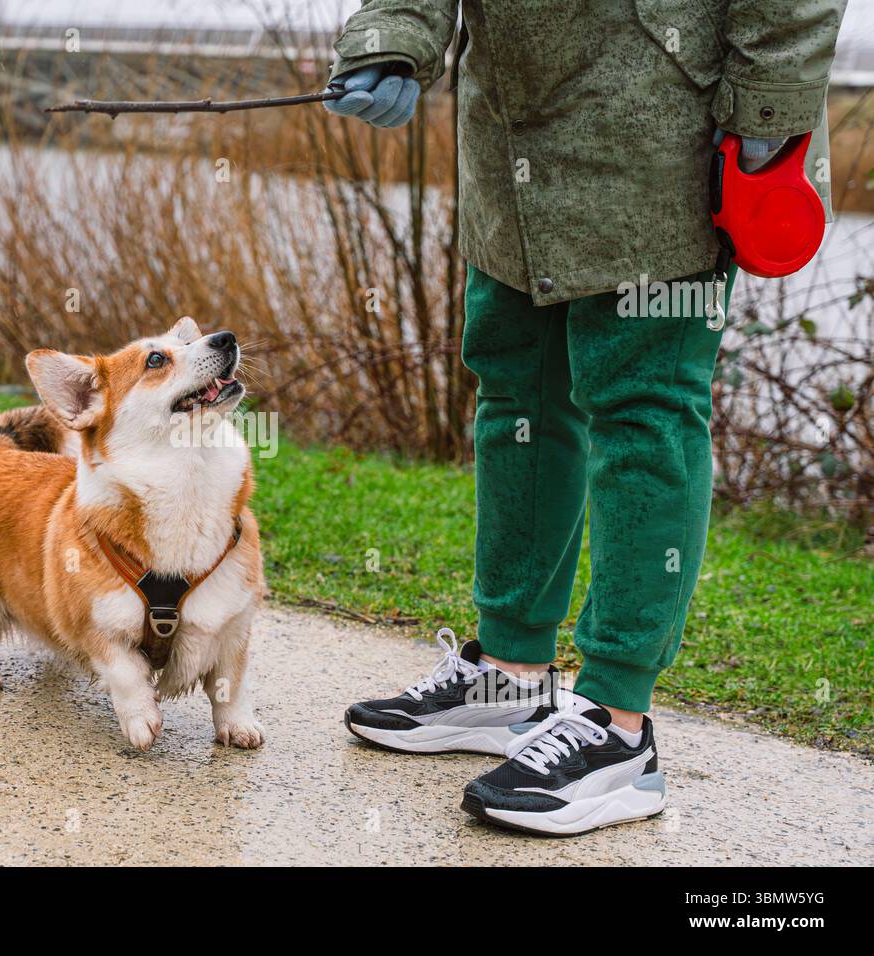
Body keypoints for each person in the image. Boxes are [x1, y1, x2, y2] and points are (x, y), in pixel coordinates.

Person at [327, 0, 846, 835]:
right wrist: (391, 41)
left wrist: (770, 114)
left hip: (665, 134)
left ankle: (618, 728)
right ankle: (510, 675)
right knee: (516, 396)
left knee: (645, 412)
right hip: (510, 141)